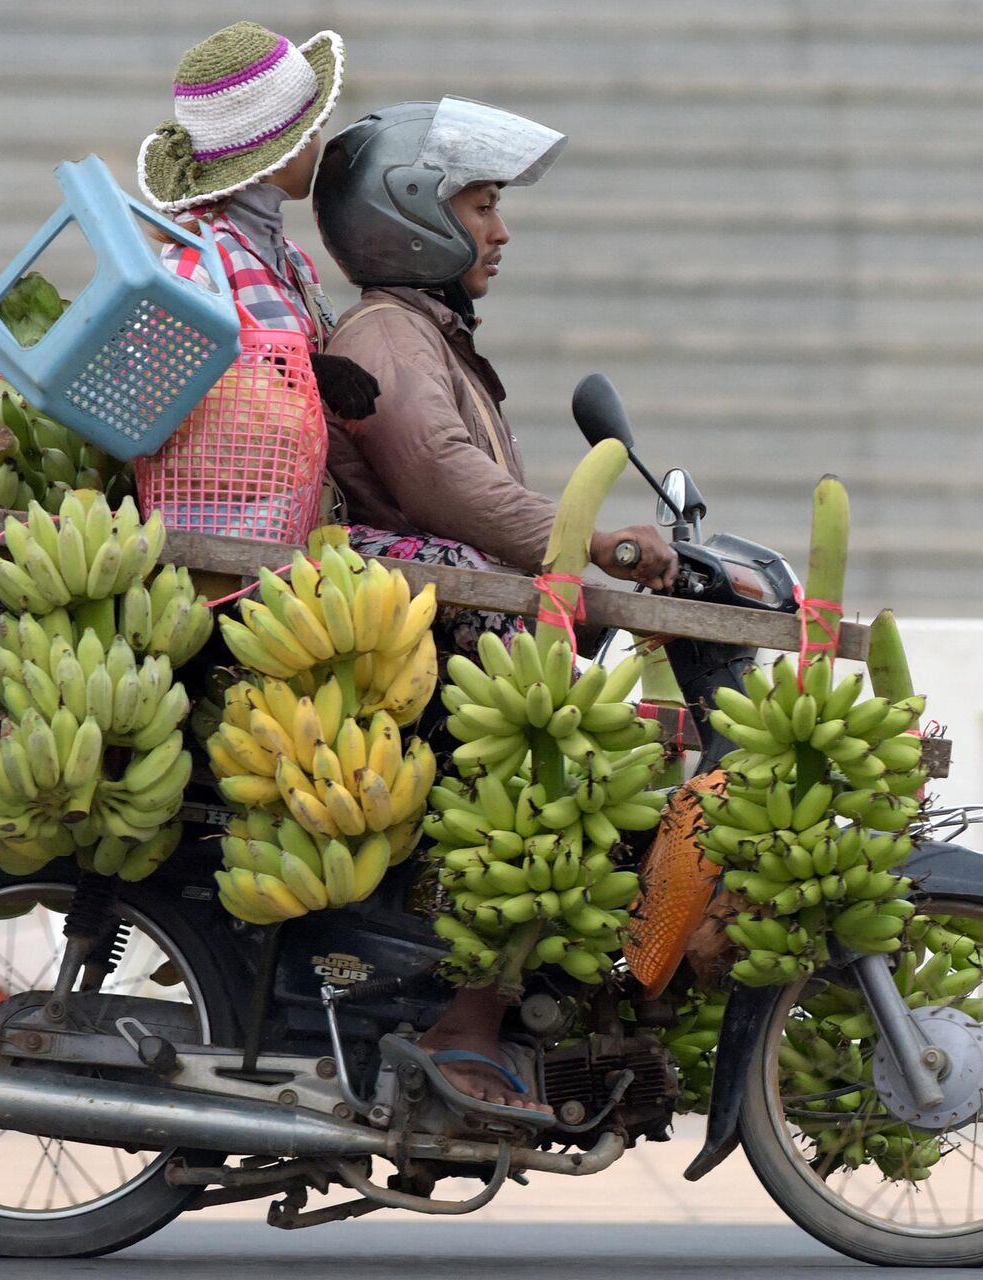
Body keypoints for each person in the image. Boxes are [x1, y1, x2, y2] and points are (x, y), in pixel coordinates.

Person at [310, 99, 679, 1117]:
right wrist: (594, 540)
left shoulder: (424, 333)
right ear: (414, 214)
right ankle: (467, 1024)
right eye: (481, 206)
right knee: (554, 771)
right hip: (422, 620)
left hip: (448, 606)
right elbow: (441, 478)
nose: (500, 231)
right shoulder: (388, 333)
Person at [137, 21, 379, 422]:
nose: (317, 143)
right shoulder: (198, 262)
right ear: (277, 155)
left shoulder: (290, 259)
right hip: (221, 485)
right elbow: (158, 388)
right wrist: (305, 372)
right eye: (311, 131)